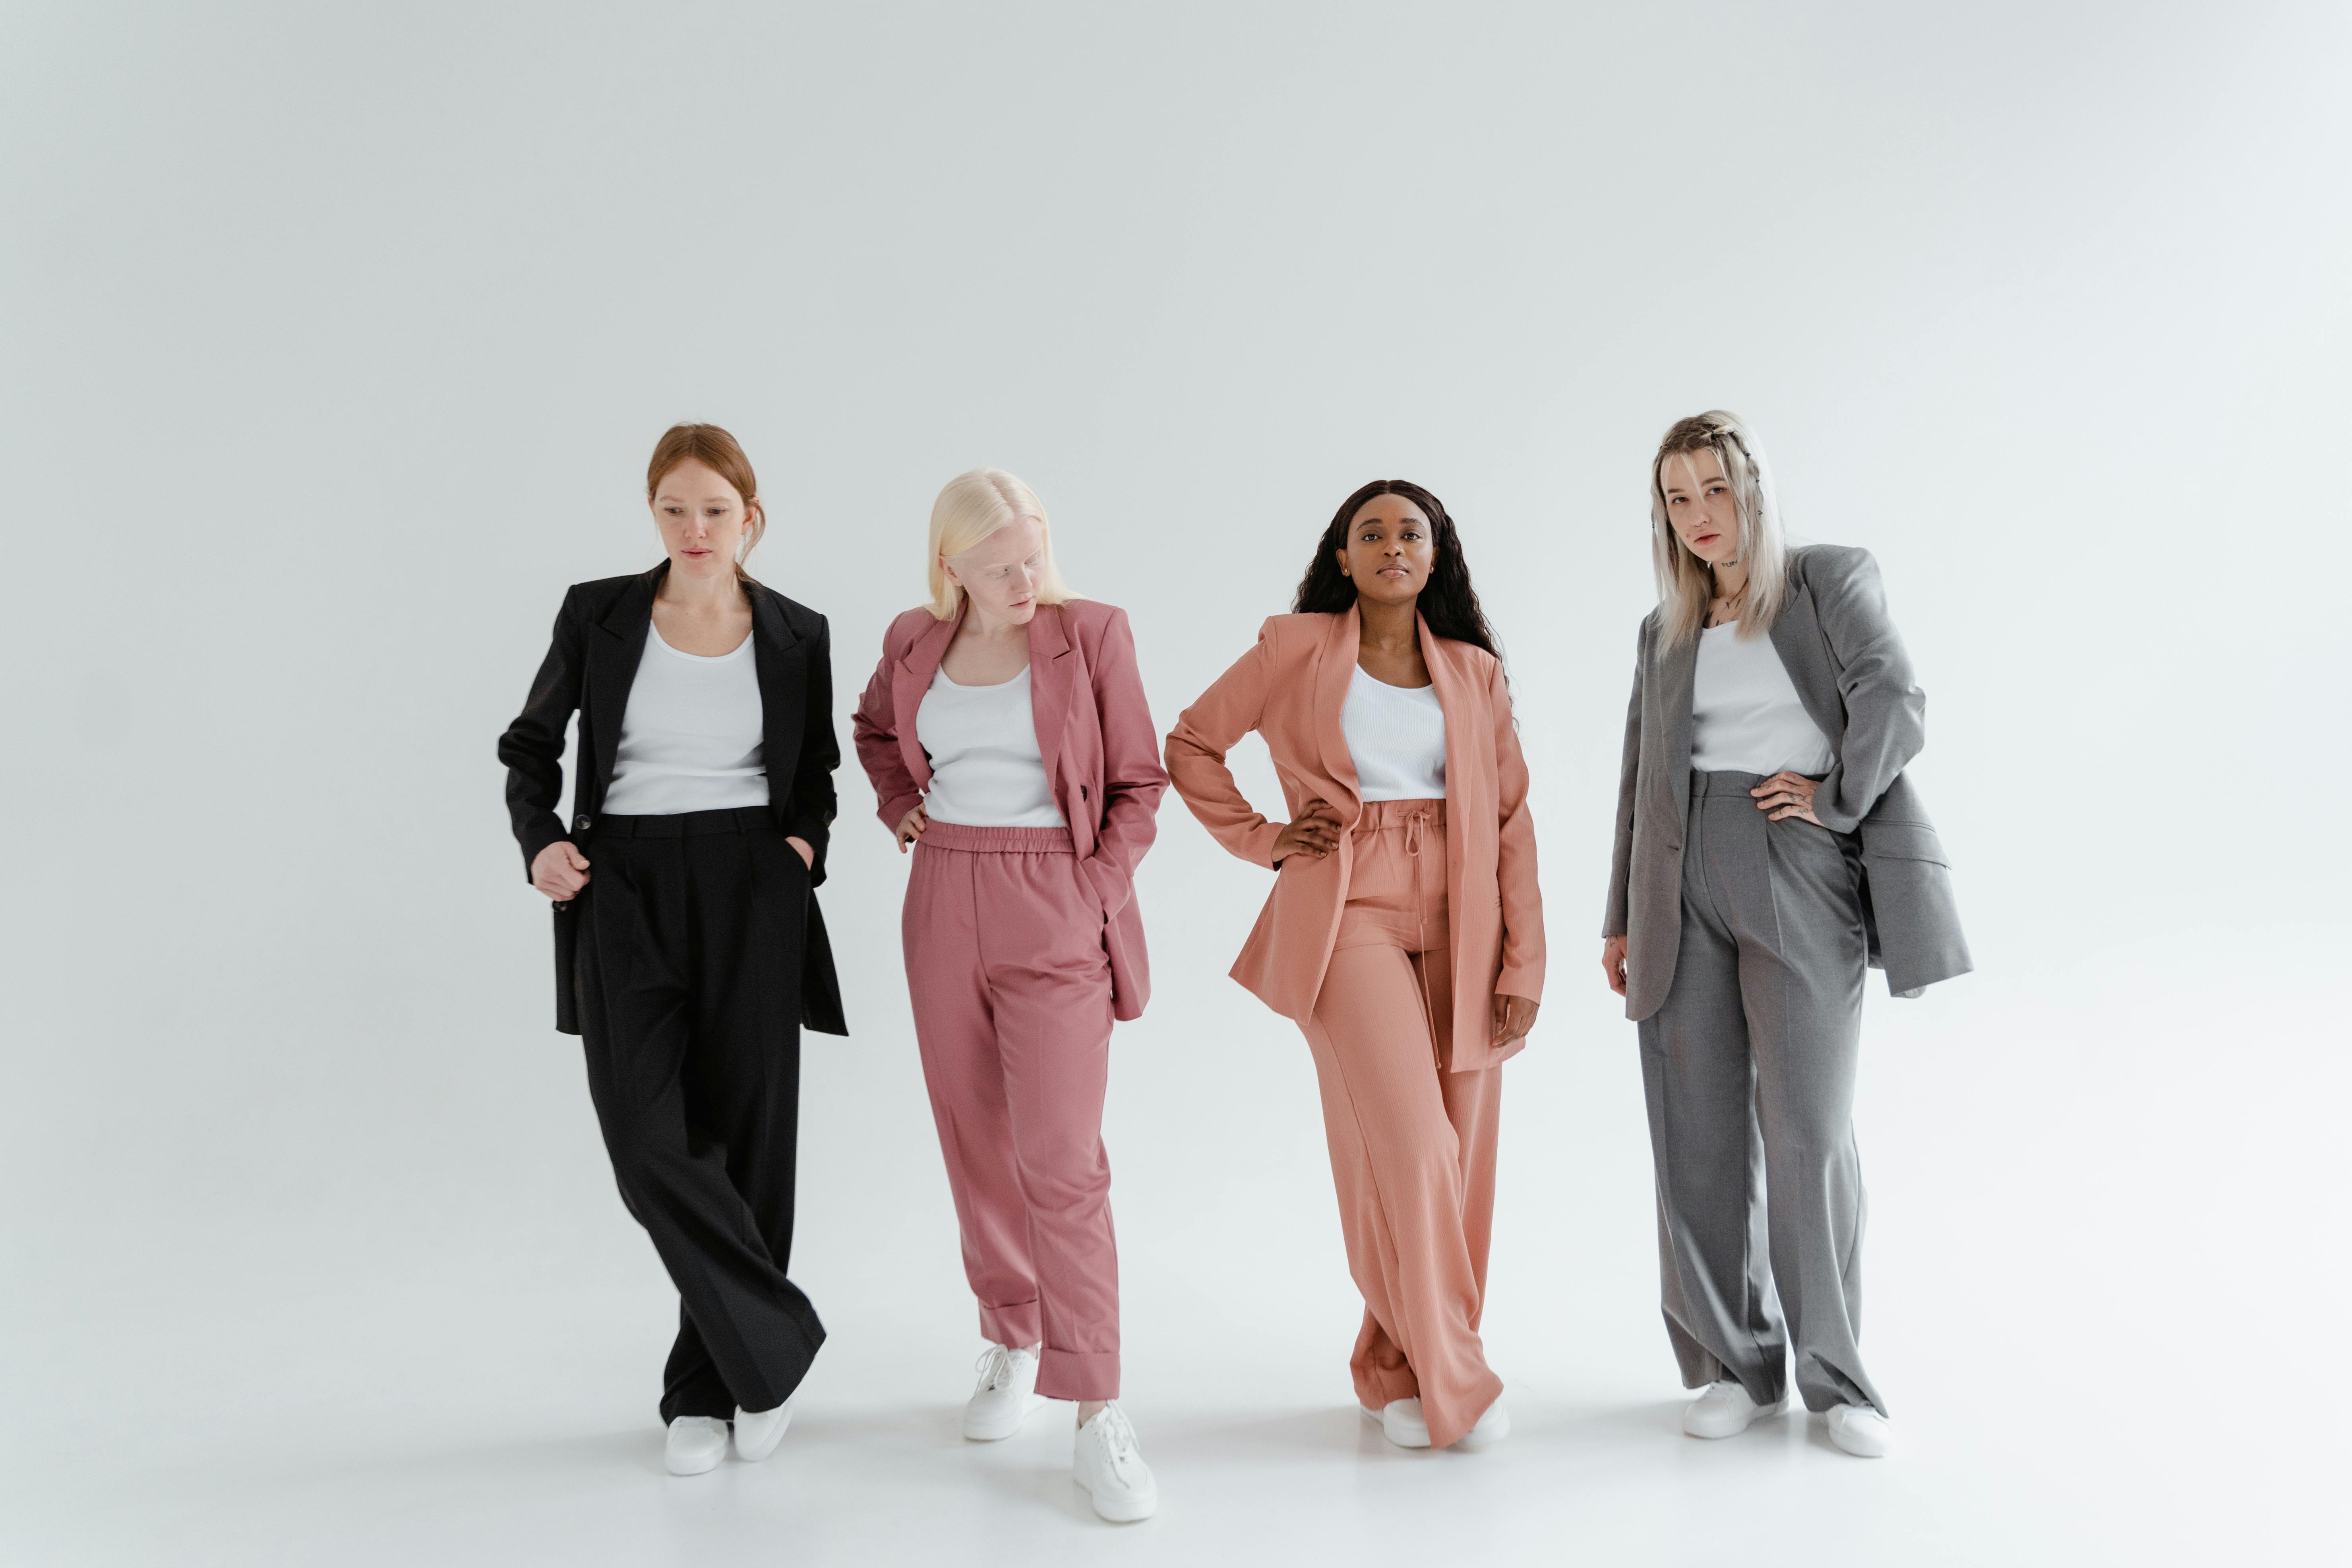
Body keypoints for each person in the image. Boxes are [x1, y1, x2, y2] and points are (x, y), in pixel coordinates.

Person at [1601, 410, 1971, 1459]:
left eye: (1714, 489)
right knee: (1697, 1132)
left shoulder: (1826, 580)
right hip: (1679, 882)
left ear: (1753, 489)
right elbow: (1639, 779)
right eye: (1677, 498)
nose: (1698, 516)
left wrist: (1835, 795)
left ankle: (1838, 1378)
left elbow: (1894, 696)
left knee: (1807, 1127)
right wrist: (1623, 914)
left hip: (1793, 855)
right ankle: (1732, 1362)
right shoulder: (1663, 629)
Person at [1164, 480, 1543, 1452]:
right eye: (1367, 532)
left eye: (1407, 531)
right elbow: (1193, 741)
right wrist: (1265, 839)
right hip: (1348, 908)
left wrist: (1523, 965)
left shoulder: (1474, 671)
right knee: (1414, 1147)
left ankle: (1393, 1367)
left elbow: (1508, 823)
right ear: (1342, 556)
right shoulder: (1293, 649)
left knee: (1456, 1160)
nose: (1388, 545)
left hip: (1464, 911)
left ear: (1434, 554)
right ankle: (1458, 1379)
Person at [497, 423, 846, 1477]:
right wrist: (542, 841)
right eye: (674, 509)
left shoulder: (796, 631)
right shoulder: (599, 611)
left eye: (716, 510)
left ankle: (709, 1384)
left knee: (748, 1142)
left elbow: (816, 773)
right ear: (653, 513)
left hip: (752, 881)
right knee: (647, 1142)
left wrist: (803, 847)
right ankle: (776, 1347)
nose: (695, 530)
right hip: (624, 884)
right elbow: (529, 745)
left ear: (754, 518)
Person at [852, 468, 1167, 1522]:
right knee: (973, 1138)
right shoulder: (912, 639)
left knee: (1063, 1161)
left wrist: (1089, 891)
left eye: (1034, 553)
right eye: (1001, 566)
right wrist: (903, 806)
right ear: (954, 568)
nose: (1027, 577)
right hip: (941, 890)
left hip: (1054, 893)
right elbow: (872, 732)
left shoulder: (1094, 633)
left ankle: (1097, 1405)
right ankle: (1011, 1334)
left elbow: (1139, 781)